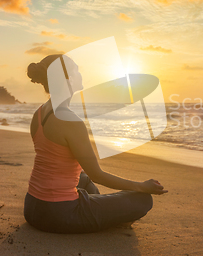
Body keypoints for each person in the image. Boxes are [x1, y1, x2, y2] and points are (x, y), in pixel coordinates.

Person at [24, 54, 167, 234]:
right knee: (143, 200)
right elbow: (98, 174)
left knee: (83, 178)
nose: (80, 73)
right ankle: (106, 215)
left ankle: (101, 209)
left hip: (32, 207)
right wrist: (141, 186)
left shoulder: (39, 113)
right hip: (59, 215)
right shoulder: (69, 121)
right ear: (68, 80)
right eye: (76, 70)